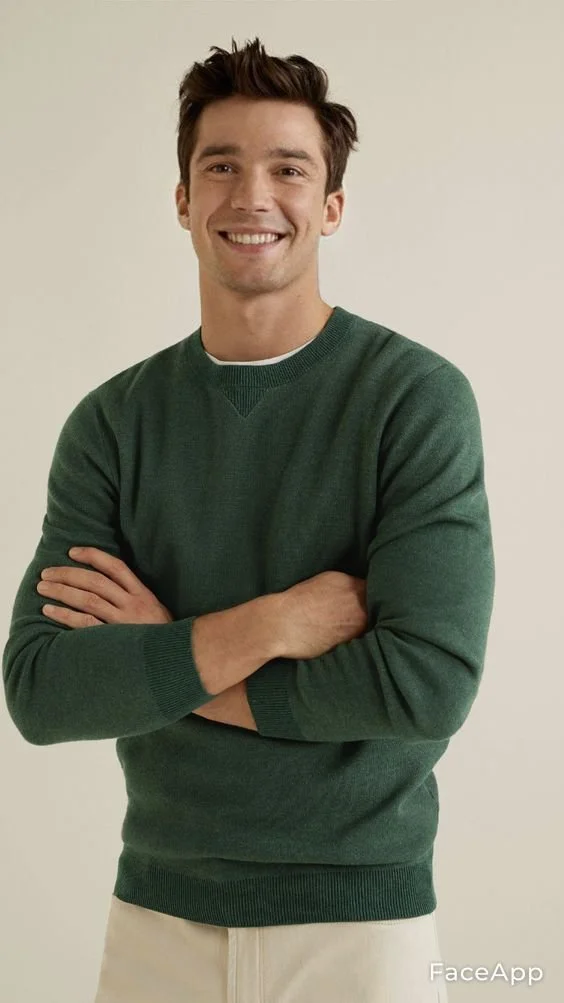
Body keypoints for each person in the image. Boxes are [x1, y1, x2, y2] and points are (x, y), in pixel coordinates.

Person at [2, 36, 495, 1003]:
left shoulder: (414, 401)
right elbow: (43, 688)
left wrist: (164, 659)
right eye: (219, 165)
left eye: (288, 168)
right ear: (183, 200)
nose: (251, 195)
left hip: (360, 922)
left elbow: (424, 683)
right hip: (155, 916)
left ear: (332, 207)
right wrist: (267, 626)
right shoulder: (113, 424)